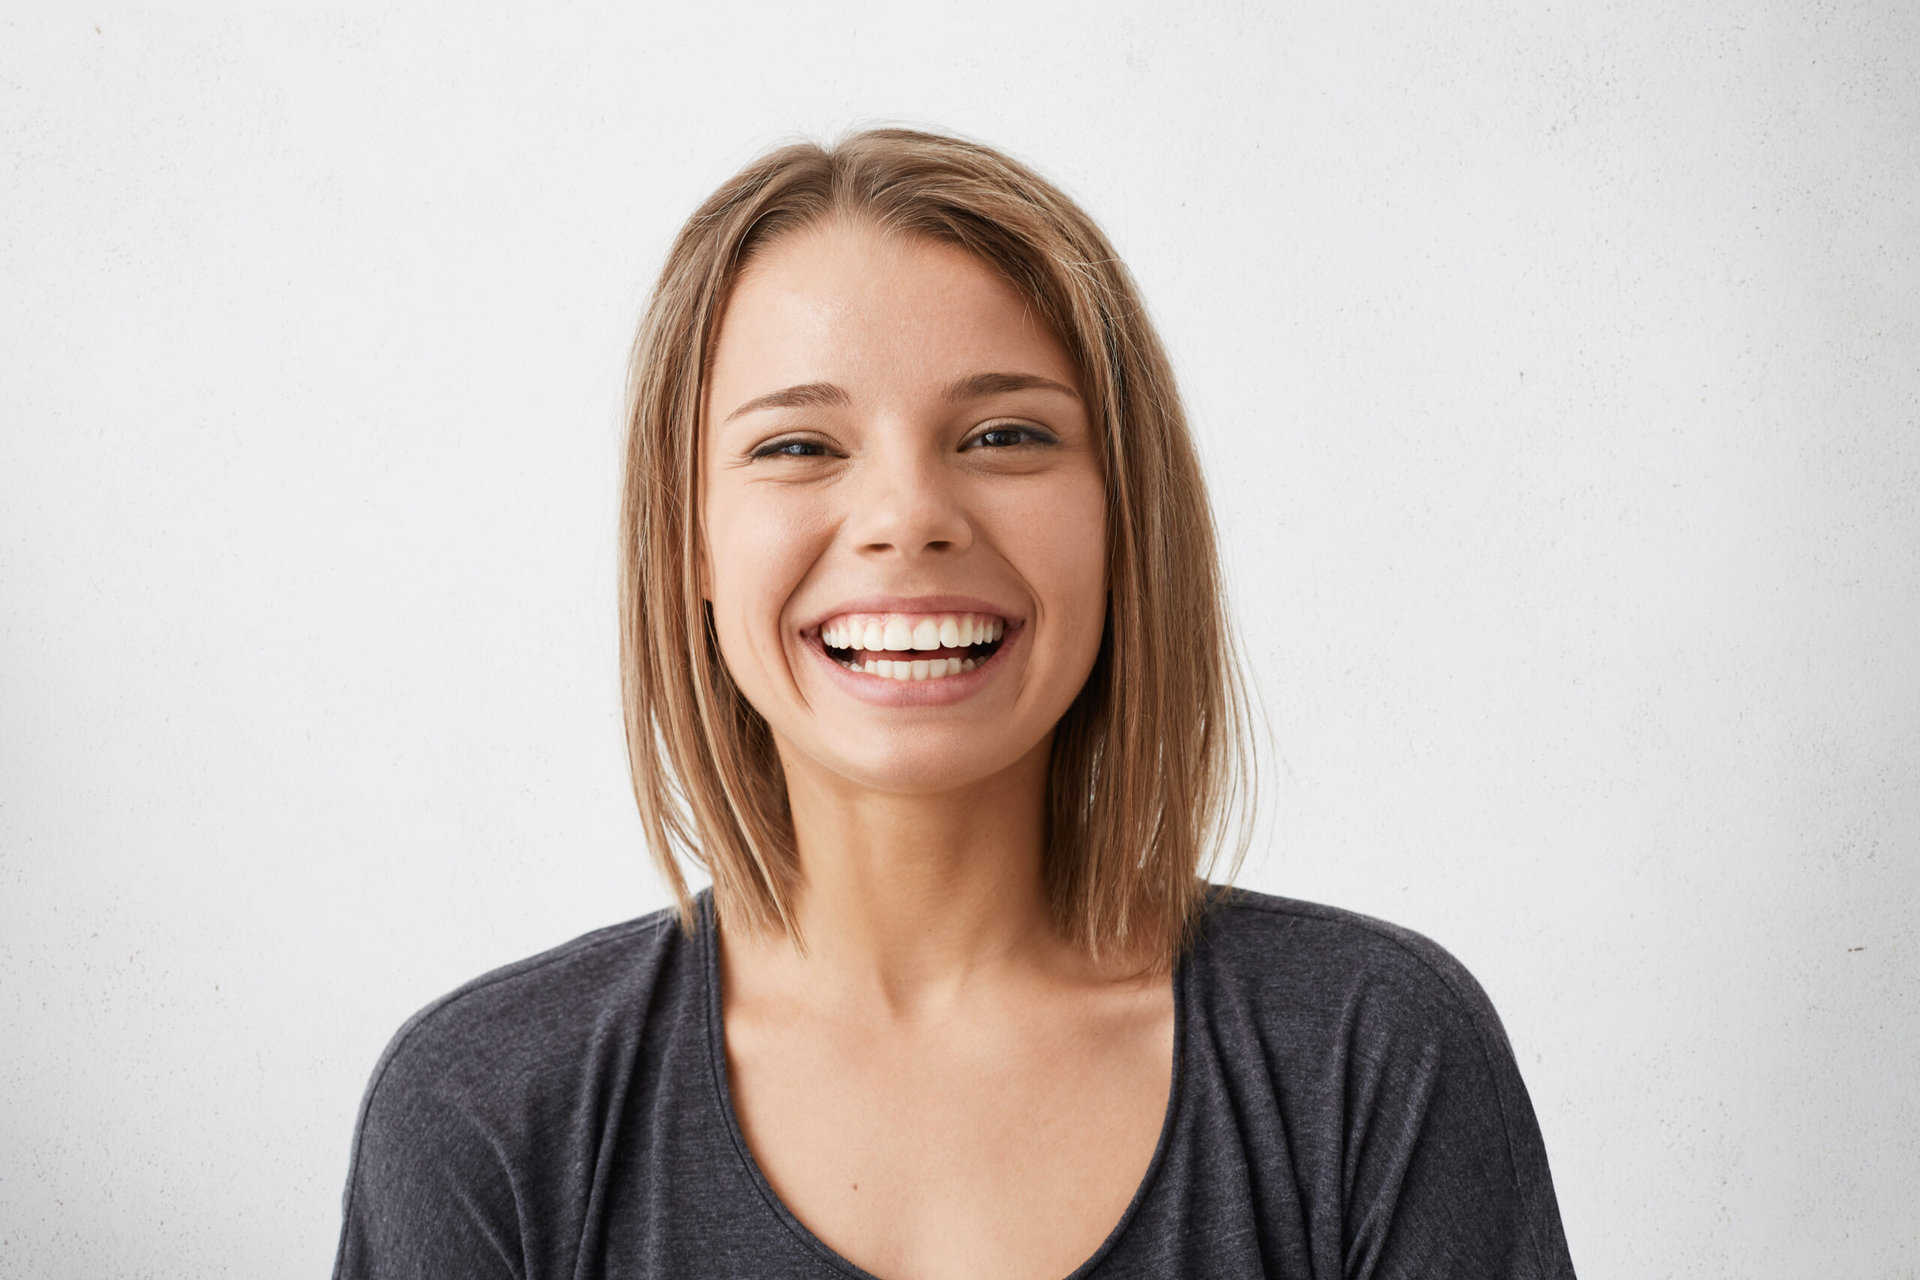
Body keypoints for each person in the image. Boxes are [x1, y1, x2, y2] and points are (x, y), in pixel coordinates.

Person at [330, 126, 1578, 1279]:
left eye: (1003, 436)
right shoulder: (481, 1111)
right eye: (798, 445)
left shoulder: (1374, 1055)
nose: (908, 517)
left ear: (1123, 517)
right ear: (690, 545)